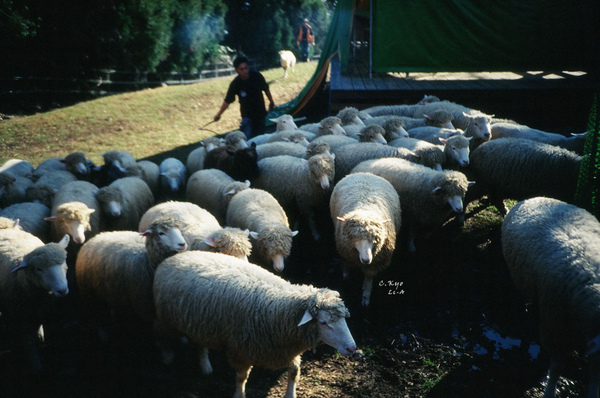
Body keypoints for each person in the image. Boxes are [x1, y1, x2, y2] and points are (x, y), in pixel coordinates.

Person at [213, 55, 275, 140]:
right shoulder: (235, 84)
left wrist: (271, 102)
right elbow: (227, 101)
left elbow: (266, 89)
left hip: (260, 114)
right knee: (246, 140)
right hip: (247, 116)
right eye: (242, 69)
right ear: (236, 70)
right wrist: (218, 114)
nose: (245, 71)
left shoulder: (257, 76)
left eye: (246, 68)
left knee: (260, 139)